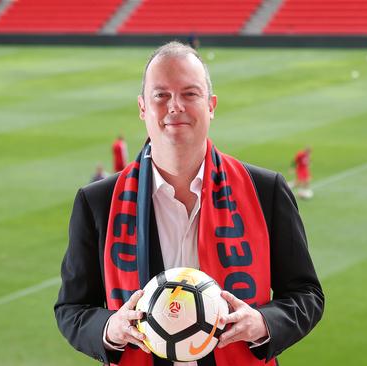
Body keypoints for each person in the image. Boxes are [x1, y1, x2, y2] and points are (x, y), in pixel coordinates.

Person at [54, 42, 324, 366]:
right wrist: (110, 328)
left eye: (190, 94)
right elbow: (71, 310)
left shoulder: (265, 191)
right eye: (161, 95)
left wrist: (264, 323)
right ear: (142, 107)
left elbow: (306, 295)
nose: (175, 106)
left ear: (211, 105)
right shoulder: (97, 202)